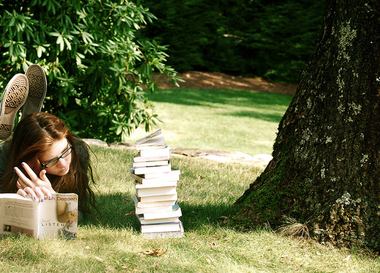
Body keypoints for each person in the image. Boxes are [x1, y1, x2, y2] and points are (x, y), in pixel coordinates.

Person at [0, 65, 96, 214]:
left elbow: (79, 214)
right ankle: (25, 124)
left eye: (65, 151)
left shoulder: (78, 150)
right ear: (33, 163)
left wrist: (55, 201)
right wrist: (16, 200)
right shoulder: (6, 158)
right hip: (13, 151)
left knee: (32, 135)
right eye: (52, 160)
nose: (64, 164)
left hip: (27, 144)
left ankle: (28, 120)